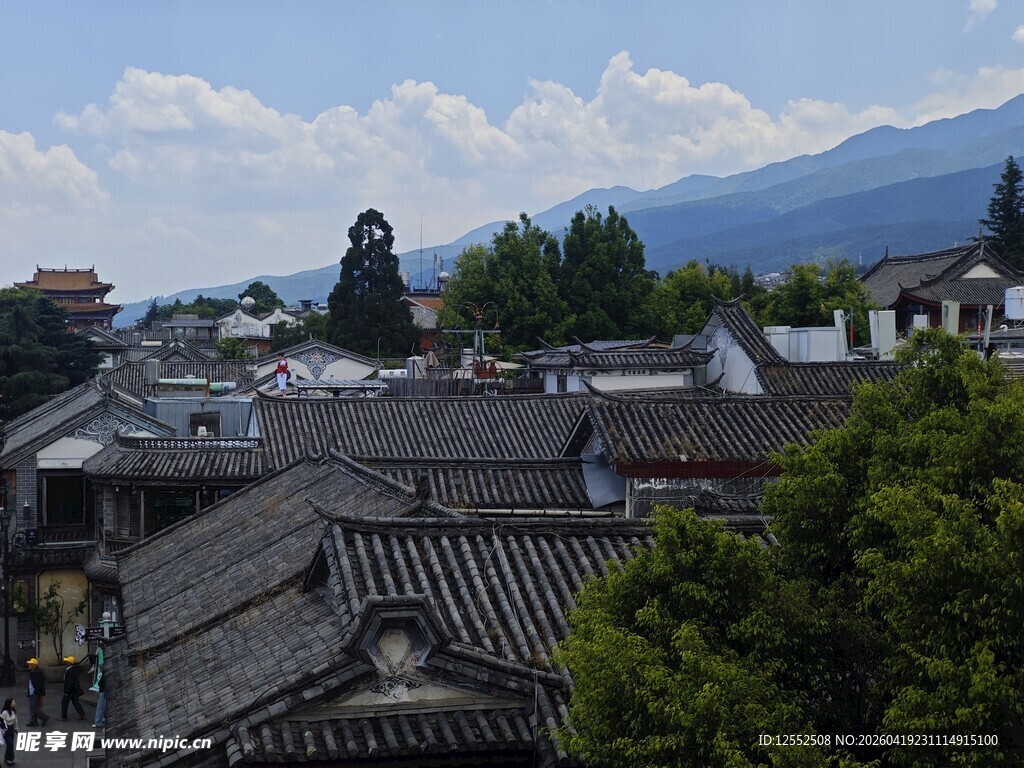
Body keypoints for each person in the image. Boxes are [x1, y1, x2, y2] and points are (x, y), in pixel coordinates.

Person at [60, 656, 86, 721]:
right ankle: (82, 714)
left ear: (69, 663)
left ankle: (64, 717)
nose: (65, 662)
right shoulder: (74, 669)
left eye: (67, 661)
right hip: (74, 689)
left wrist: (66, 691)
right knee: (75, 702)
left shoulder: (70, 671)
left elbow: (69, 682)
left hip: (70, 690)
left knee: (64, 703)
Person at [25, 659, 47, 727]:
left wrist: (36, 692)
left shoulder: (36, 672)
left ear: (34, 665)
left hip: (34, 693)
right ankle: (33, 721)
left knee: (34, 707)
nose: (29, 665)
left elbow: (38, 684)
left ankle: (44, 717)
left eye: (30, 664)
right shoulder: (34, 671)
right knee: (32, 707)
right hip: (33, 692)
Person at [1, 699, 17, 764]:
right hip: (6, 729)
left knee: (11, 744)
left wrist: (16, 727)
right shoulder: (4, 712)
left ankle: (11, 758)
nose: (14, 703)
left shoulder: (13, 711)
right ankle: (7, 759)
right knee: (9, 744)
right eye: (13, 702)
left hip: (11, 728)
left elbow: (16, 720)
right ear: (9, 704)